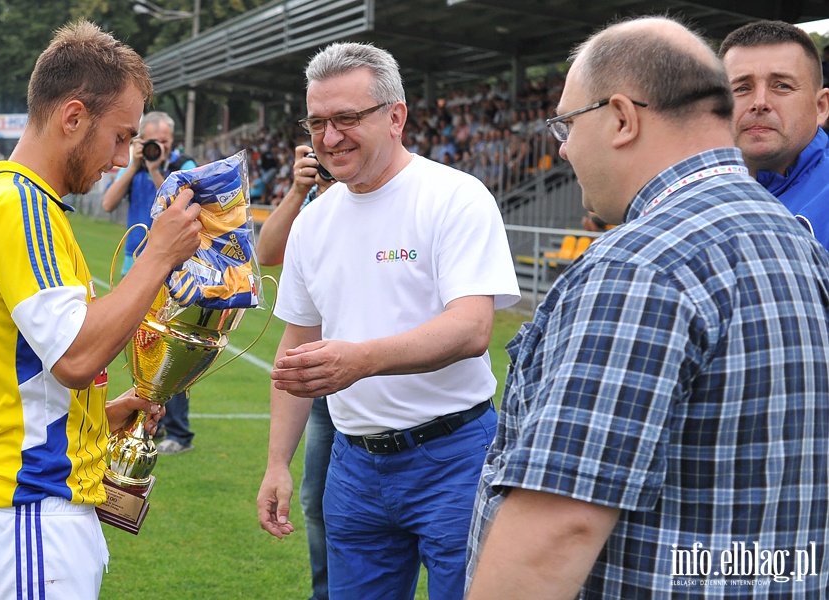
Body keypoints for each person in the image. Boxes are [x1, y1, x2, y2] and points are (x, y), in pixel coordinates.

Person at [466, 16, 829, 599]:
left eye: (566, 122)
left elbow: (557, 531)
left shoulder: (640, 266)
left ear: (621, 118)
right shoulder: (796, 239)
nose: (562, 146)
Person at [256, 42, 520, 599]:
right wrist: (278, 463)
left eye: (348, 119)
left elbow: (472, 328)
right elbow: (296, 346)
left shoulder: (454, 197)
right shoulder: (312, 222)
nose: (330, 138)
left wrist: (361, 360)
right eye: (318, 122)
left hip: (455, 456)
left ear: (395, 116)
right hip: (354, 465)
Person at [0, 20, 202, 599]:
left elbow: (31, 374)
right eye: (120, 137)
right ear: (73, 117)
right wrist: (157, 255)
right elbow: (76, 356)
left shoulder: (23, 205)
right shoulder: (22, 206)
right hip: (29, 512)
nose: (121, 158)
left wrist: (110, 412)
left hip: (26, 511)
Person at [255, 144, 336, 600]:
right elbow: (265, 253)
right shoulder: (312, 208)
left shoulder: (377, 192)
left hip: (373, 373)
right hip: (321, 379)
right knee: (315, 499)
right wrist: (299, 188)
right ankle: (326, 592)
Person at [102, 111, 198, 455]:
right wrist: (134, 164)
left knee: (174, 350)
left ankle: (179, 431)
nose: (160, 147)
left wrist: (157, 168)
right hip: (136, 260)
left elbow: (174, 207)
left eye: (165, 141)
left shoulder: (184, 165)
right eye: (152, 141)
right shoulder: (135, 164)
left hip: (172, 265)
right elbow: (108, 202)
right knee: (141, 348)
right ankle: (145, 421)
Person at [718, 21, 829, 249]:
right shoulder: (696, 196)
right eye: (742, 88)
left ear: (820, 107)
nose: (760, 103)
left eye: (782, 86)